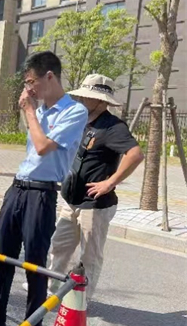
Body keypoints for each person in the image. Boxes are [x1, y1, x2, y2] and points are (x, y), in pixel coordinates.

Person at [0, 51, 88, 326]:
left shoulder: (73, 111)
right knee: (3, 253)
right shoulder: (40, 108)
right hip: (17, 187)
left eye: (31, 82)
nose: (28, 89)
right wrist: (33, 110)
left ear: (50, 77)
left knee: (34, 261)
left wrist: (29, 111)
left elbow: (43, 147)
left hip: (42, 193)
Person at [48, 74, 144, 300]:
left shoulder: (113, 127)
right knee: (59, 245)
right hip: (71, 199)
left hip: (95, 204)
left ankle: (82, 299)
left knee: (89, 255)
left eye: (87, 97)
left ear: (101, 101)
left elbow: (136, 154)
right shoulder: (82, 121)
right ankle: (51, 289)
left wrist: (110, 182)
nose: (81, 100)